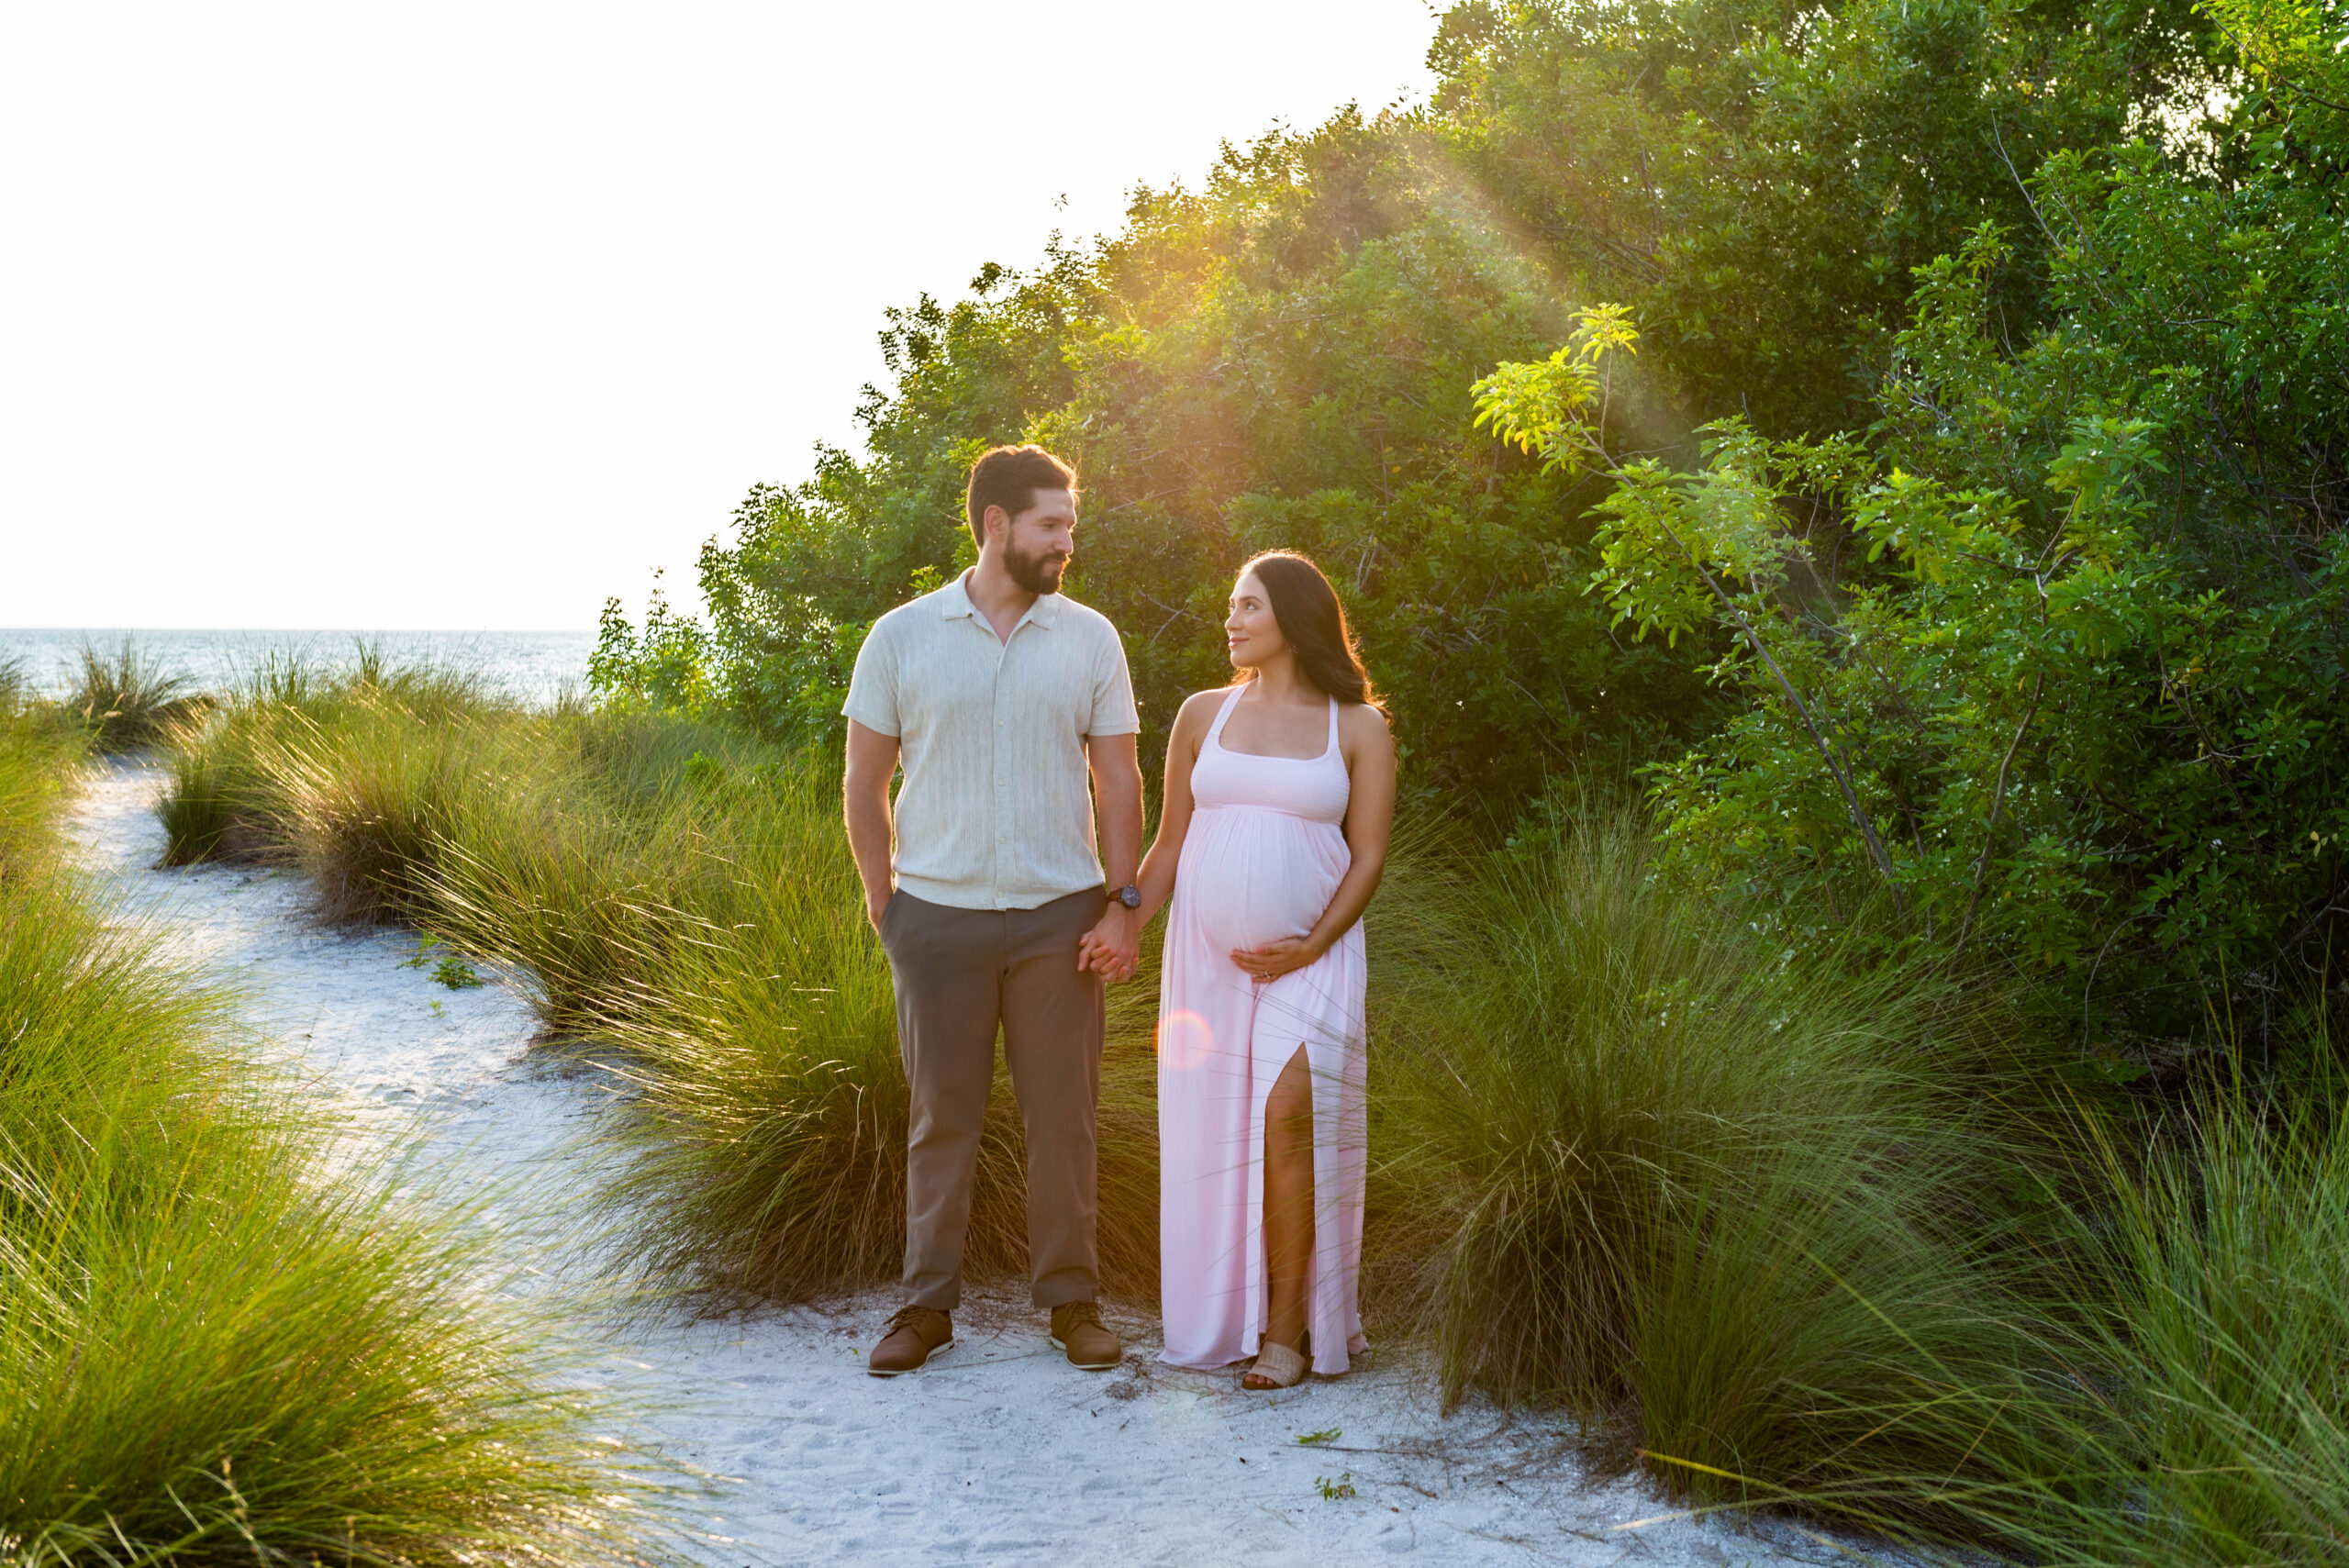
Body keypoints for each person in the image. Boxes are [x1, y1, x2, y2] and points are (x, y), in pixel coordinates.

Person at [842, 444, 1145, 1378]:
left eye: (1071, 526)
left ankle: (1072, 1303)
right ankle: (925, 1306)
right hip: (936, 919)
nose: (1066, 543)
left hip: (1061, 917)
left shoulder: (1090, 637)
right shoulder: (900, 636)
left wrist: (1124, 904)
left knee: (1065, 1119)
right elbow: (862, 781)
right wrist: (884, 901)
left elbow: (1120, 779)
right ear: (995, 524)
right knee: (942, 1118)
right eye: (1051, 525)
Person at [1116, 550, 1396, 1390]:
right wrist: (1121, 921)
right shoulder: (1203, 714)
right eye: (1231, 606)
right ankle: (1227, 1318)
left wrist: (1310, 944)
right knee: (1218, 1134)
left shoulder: (1358, 726)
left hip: (1315, 958)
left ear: (1296, 620)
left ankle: (1287, 1331)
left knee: (1287, 1118)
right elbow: (1169, 844)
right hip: (1206, 963)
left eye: (1249, 607)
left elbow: (1370, 856)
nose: (1231, 621)